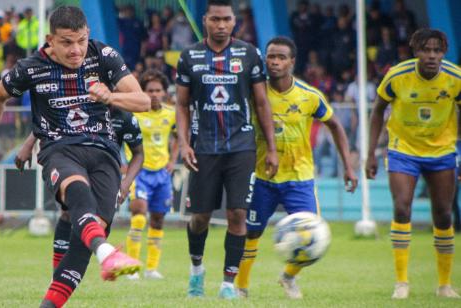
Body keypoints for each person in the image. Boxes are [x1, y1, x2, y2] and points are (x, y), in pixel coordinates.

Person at [0, 6, 150, 308]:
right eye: (67, 42)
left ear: (88, 35)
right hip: (59, 148)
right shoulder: (32, 67)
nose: (76, 49)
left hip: (105, 152)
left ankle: (90, 261)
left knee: (83, 241)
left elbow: (143, 101)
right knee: (78, 194)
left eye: (80, 40)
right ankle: (106, 252)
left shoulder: (102, 55)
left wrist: (111, 96)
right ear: (50, 40)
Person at [234, 36, 358, 299]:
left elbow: (335, 126)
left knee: (313, 234)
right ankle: (240, 288)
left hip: (299, 179)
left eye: (281, 57)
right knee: (252, 232)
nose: (275, 62)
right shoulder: (254, 92)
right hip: (262, 178)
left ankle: (288, 277)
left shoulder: (309, 96)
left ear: (292, 61)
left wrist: (348, 165)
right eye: (271, 56)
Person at [175, 0, 278, 299]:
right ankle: (197, 270)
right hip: (203, 148)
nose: (221, 25)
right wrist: (183, 144)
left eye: (227, 20)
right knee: (200, 217)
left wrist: (270, 148)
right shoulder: (189, 56)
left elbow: (261, 103)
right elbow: (182, 104)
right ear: (205, 20)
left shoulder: (249, 54)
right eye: (215, 19)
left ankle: (227, 284)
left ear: (235, 22)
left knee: (237, 214)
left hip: (241, 147)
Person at [366, 28, 461, 299]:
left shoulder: (455, 78)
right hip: (402, 150)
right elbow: (377, 110)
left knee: (443, 213)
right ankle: (401, 283)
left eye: (437, 50)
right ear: (415, 51)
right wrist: (370, 153)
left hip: (442, 151)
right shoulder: (397, 75)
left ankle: (444, 285)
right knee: (401, 206)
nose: (431, 55)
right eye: (426, 50)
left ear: (444, 52)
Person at [15, 104, 144, 272]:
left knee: (98, 224)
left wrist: (125, 184)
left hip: (105, 171)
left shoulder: (125, 117)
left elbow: (139, 153)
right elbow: (49, 117)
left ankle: (96, 259)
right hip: (75, 160)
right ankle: (60, 272)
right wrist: (29, 143)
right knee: (70, 210)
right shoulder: (80, 102)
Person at [125, 69, 178, 280]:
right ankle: (132, 267)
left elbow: (180, 135)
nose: (154, 94)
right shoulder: (135, 113)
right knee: (139, 215)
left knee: (157, 220)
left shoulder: (171, 113)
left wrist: (173, 160)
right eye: (149, 91)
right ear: (143, 92)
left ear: (165, 92)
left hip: (162, 173)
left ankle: (151, 268)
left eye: (158, 90)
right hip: (139, 172)